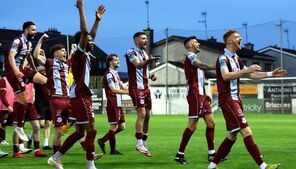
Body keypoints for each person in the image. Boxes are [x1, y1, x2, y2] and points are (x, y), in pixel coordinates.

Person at [208, 30, 286, 169]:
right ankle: (264, 166)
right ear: (229, 40)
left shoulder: (236, 58)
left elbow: (251, 75)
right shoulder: (222, 58)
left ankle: (212, 166)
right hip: (228, 100)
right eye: (238, 37)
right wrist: (246, 70)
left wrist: (271, 74)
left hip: (235, 100)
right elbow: (226, 76)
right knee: (246, 131)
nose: (241, 38)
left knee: (232, 136)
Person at [47, 1, 105, 169]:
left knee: (80, 131)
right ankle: (90, 165)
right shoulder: (79, 53)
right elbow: (86, 32)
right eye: (90, 40)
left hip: (79, 94)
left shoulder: (85, 52)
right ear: (83, 41)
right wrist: (81, 9)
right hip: (80, 95)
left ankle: (56, 158)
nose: (93, 41)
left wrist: (98, 21)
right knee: (91, 130)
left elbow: (90, 34)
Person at [174, 36, 216, 164]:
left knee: (211, 123)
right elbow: (200, 65)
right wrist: (216, 67)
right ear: (190, 45)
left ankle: (212, 154)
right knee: (193, 125)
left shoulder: (193, 57)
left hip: (201, 95)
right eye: (196, 42)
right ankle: (179, 154)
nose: (199, 44)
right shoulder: (191, 56)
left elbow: (199, 77)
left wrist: (205, 93)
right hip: (195, 94)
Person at [4, 21, 47, 142]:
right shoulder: (18, 41)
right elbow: (11, 56)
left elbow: (28, 56)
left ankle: (51, 105)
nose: (35, 32)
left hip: (24, 69)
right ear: (26, 30)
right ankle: (19, 126)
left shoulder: (28, 43)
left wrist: (33, 69)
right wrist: (16, 70)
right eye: (33, 30)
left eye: (35, 30)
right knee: (23, 98)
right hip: (13, 71)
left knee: (45, 81)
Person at [33, 34, 72, 155]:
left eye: (66, 51)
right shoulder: (50, 62)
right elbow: (35, 55)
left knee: (80, 123)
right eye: (62, 51)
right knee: (58, 130)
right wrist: (41, 40)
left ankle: (89, 151)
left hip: (68, 98)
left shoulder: (67, 64)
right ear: (55, 53)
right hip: (57, 99)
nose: (65, 53)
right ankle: (56, 157)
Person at [125, 32, 158, 157]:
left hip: (145, 88)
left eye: (146, 38)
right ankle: (138, 142)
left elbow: (144, 70)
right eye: (143, 38)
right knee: (142, 113)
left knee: (148, 115)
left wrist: (151, 75)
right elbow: (138, 65)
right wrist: (149, 60)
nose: (146, 41)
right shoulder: (131, 52)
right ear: (136, 40)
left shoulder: (144, 53)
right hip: (136, 88)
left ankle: (143, 141)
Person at [97, 54, 128, 155]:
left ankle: (103, 141)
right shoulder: (109, 74)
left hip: (118, 104)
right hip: (113, 103)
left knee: (121, 127)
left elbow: (123, 87)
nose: (118, 61)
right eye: (116, 60)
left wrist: (135, 90)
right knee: (113, 127)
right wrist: (128, 93)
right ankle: (111, 149)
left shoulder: (116, 74)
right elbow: (113, 89)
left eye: (118, 59)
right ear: (110, 62)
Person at [0, 74, 13, 158]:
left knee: (2, 126)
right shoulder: (3, 80)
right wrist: (7, 105)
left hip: (6, 107)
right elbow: (2, 95)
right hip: (3, 107)